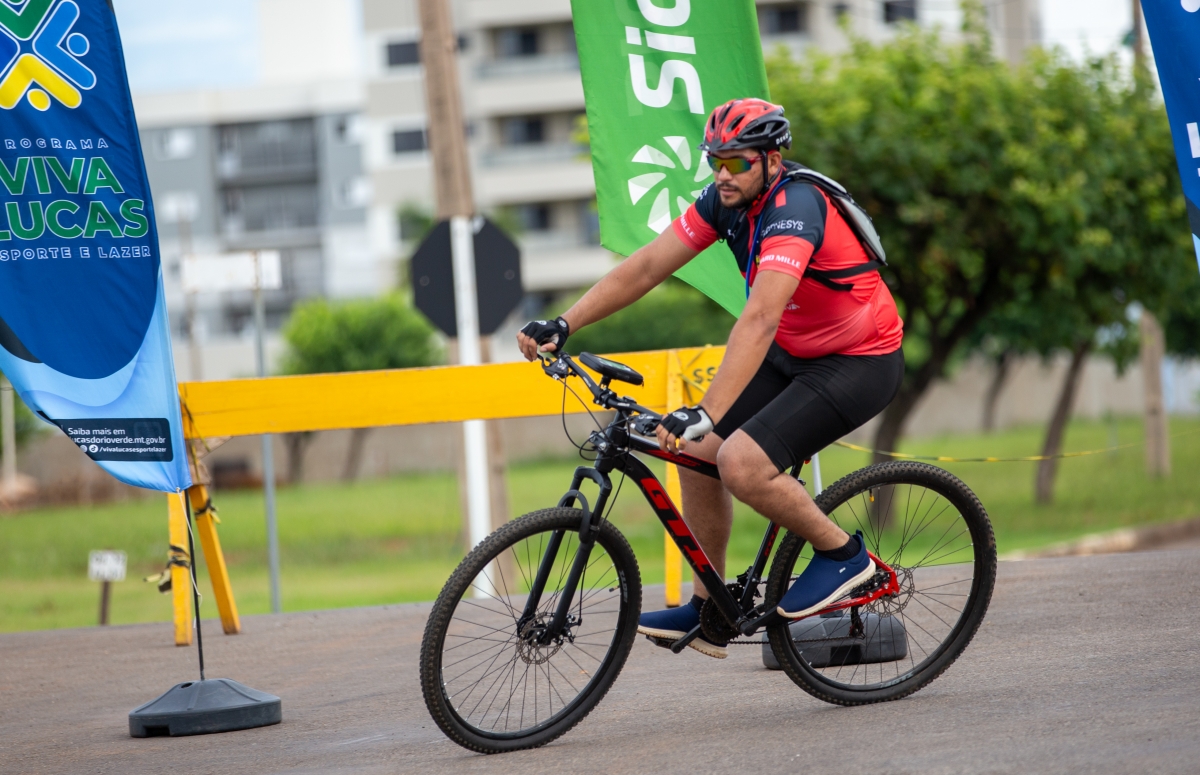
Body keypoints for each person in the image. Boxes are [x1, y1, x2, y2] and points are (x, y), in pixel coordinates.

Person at [517, 98, 904, 659]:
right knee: (692, 452)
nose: (723, 174)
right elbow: (648, 266)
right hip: (792, 351)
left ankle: (845, 557)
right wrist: (564, 322)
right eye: (715, 161)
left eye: (737, 162)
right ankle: (712, 608)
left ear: (772, 161)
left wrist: (708, 412)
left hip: (858, 359)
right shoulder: (725, 202)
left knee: (740, 463)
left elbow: (760, 317)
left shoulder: (797, 207)